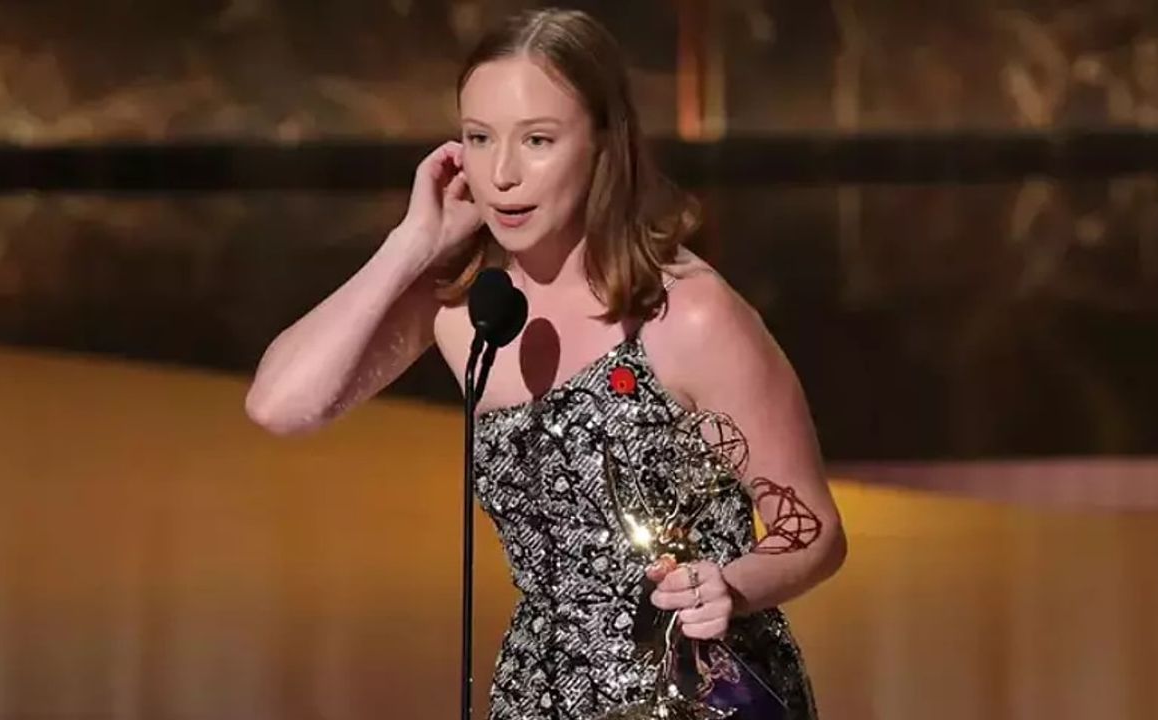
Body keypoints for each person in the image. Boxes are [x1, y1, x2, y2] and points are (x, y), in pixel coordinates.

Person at [245, 8, 845, 719]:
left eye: (537, 140)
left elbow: (815, 532)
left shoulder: (686, 314)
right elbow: (280, 405)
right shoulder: (464, 305)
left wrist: (732, 585)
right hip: (539, 692)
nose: (501, 175)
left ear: (603, 144)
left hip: (700, 695)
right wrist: (409, 244)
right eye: (479, 138)